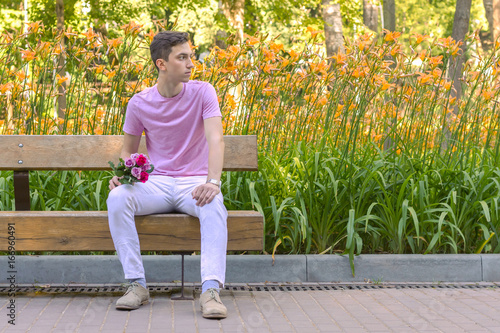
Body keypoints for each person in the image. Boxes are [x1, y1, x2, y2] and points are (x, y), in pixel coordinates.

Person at [107, 31, 228, 319]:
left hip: (195, 183)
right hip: (156, 184)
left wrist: (212, 182)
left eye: (191, 56)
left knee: (214, 204)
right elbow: (128, 151)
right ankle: (136, 285)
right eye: (182, 57)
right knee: (117, 198)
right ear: (162, 64)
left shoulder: (203, 92)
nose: (191, 63)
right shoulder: (139, 103)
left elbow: (216, 139)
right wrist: (124, 175)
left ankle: (211, 290)